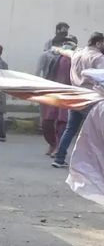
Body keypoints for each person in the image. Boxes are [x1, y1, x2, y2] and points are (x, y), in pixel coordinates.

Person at [52, 31, 104, 168]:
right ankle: (92, 163)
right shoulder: (98, 58)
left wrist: (57, 49)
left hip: (75, 96)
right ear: (98, 43)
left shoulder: (78, 53)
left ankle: (59, 158)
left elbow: (66, 52)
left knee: (70, 129)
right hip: (91, 98)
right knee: (95, 131)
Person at [41, 37, 76, 156]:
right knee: (47, 121)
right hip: (53, 92)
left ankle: (59, 149)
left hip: (68, 94)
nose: (66, 45)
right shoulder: (55, 57)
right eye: (65, 43)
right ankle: (52, 143)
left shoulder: (75, 59)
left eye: (69, 43)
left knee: (62, 123)